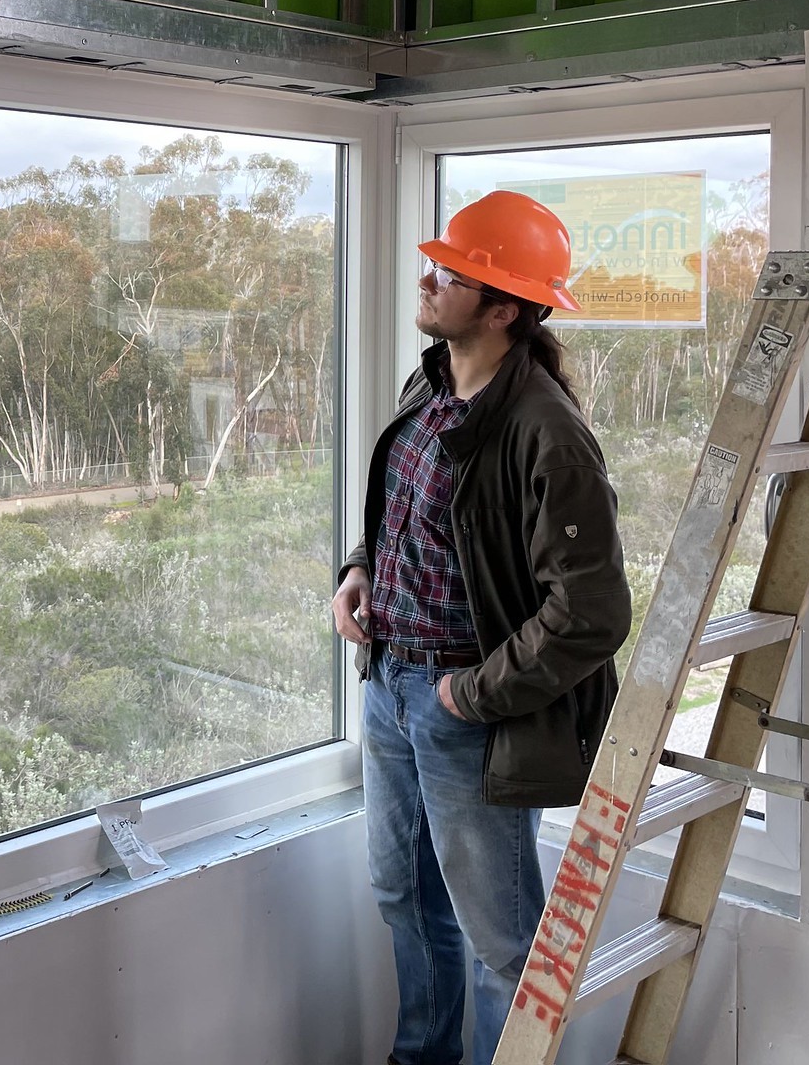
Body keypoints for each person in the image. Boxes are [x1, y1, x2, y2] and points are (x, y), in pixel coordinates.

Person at [332, 190, 631, 1065]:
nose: (428, 279)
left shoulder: (547, 433)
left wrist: (471, 693)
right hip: (391, 684)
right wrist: (358, 572)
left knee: (503, 941)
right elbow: (405, 515)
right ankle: (422, 1056)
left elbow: (592, 612)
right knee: (401, 895)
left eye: (452, 273)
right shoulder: (428, 385)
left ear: (503, 308)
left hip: (466, 706)